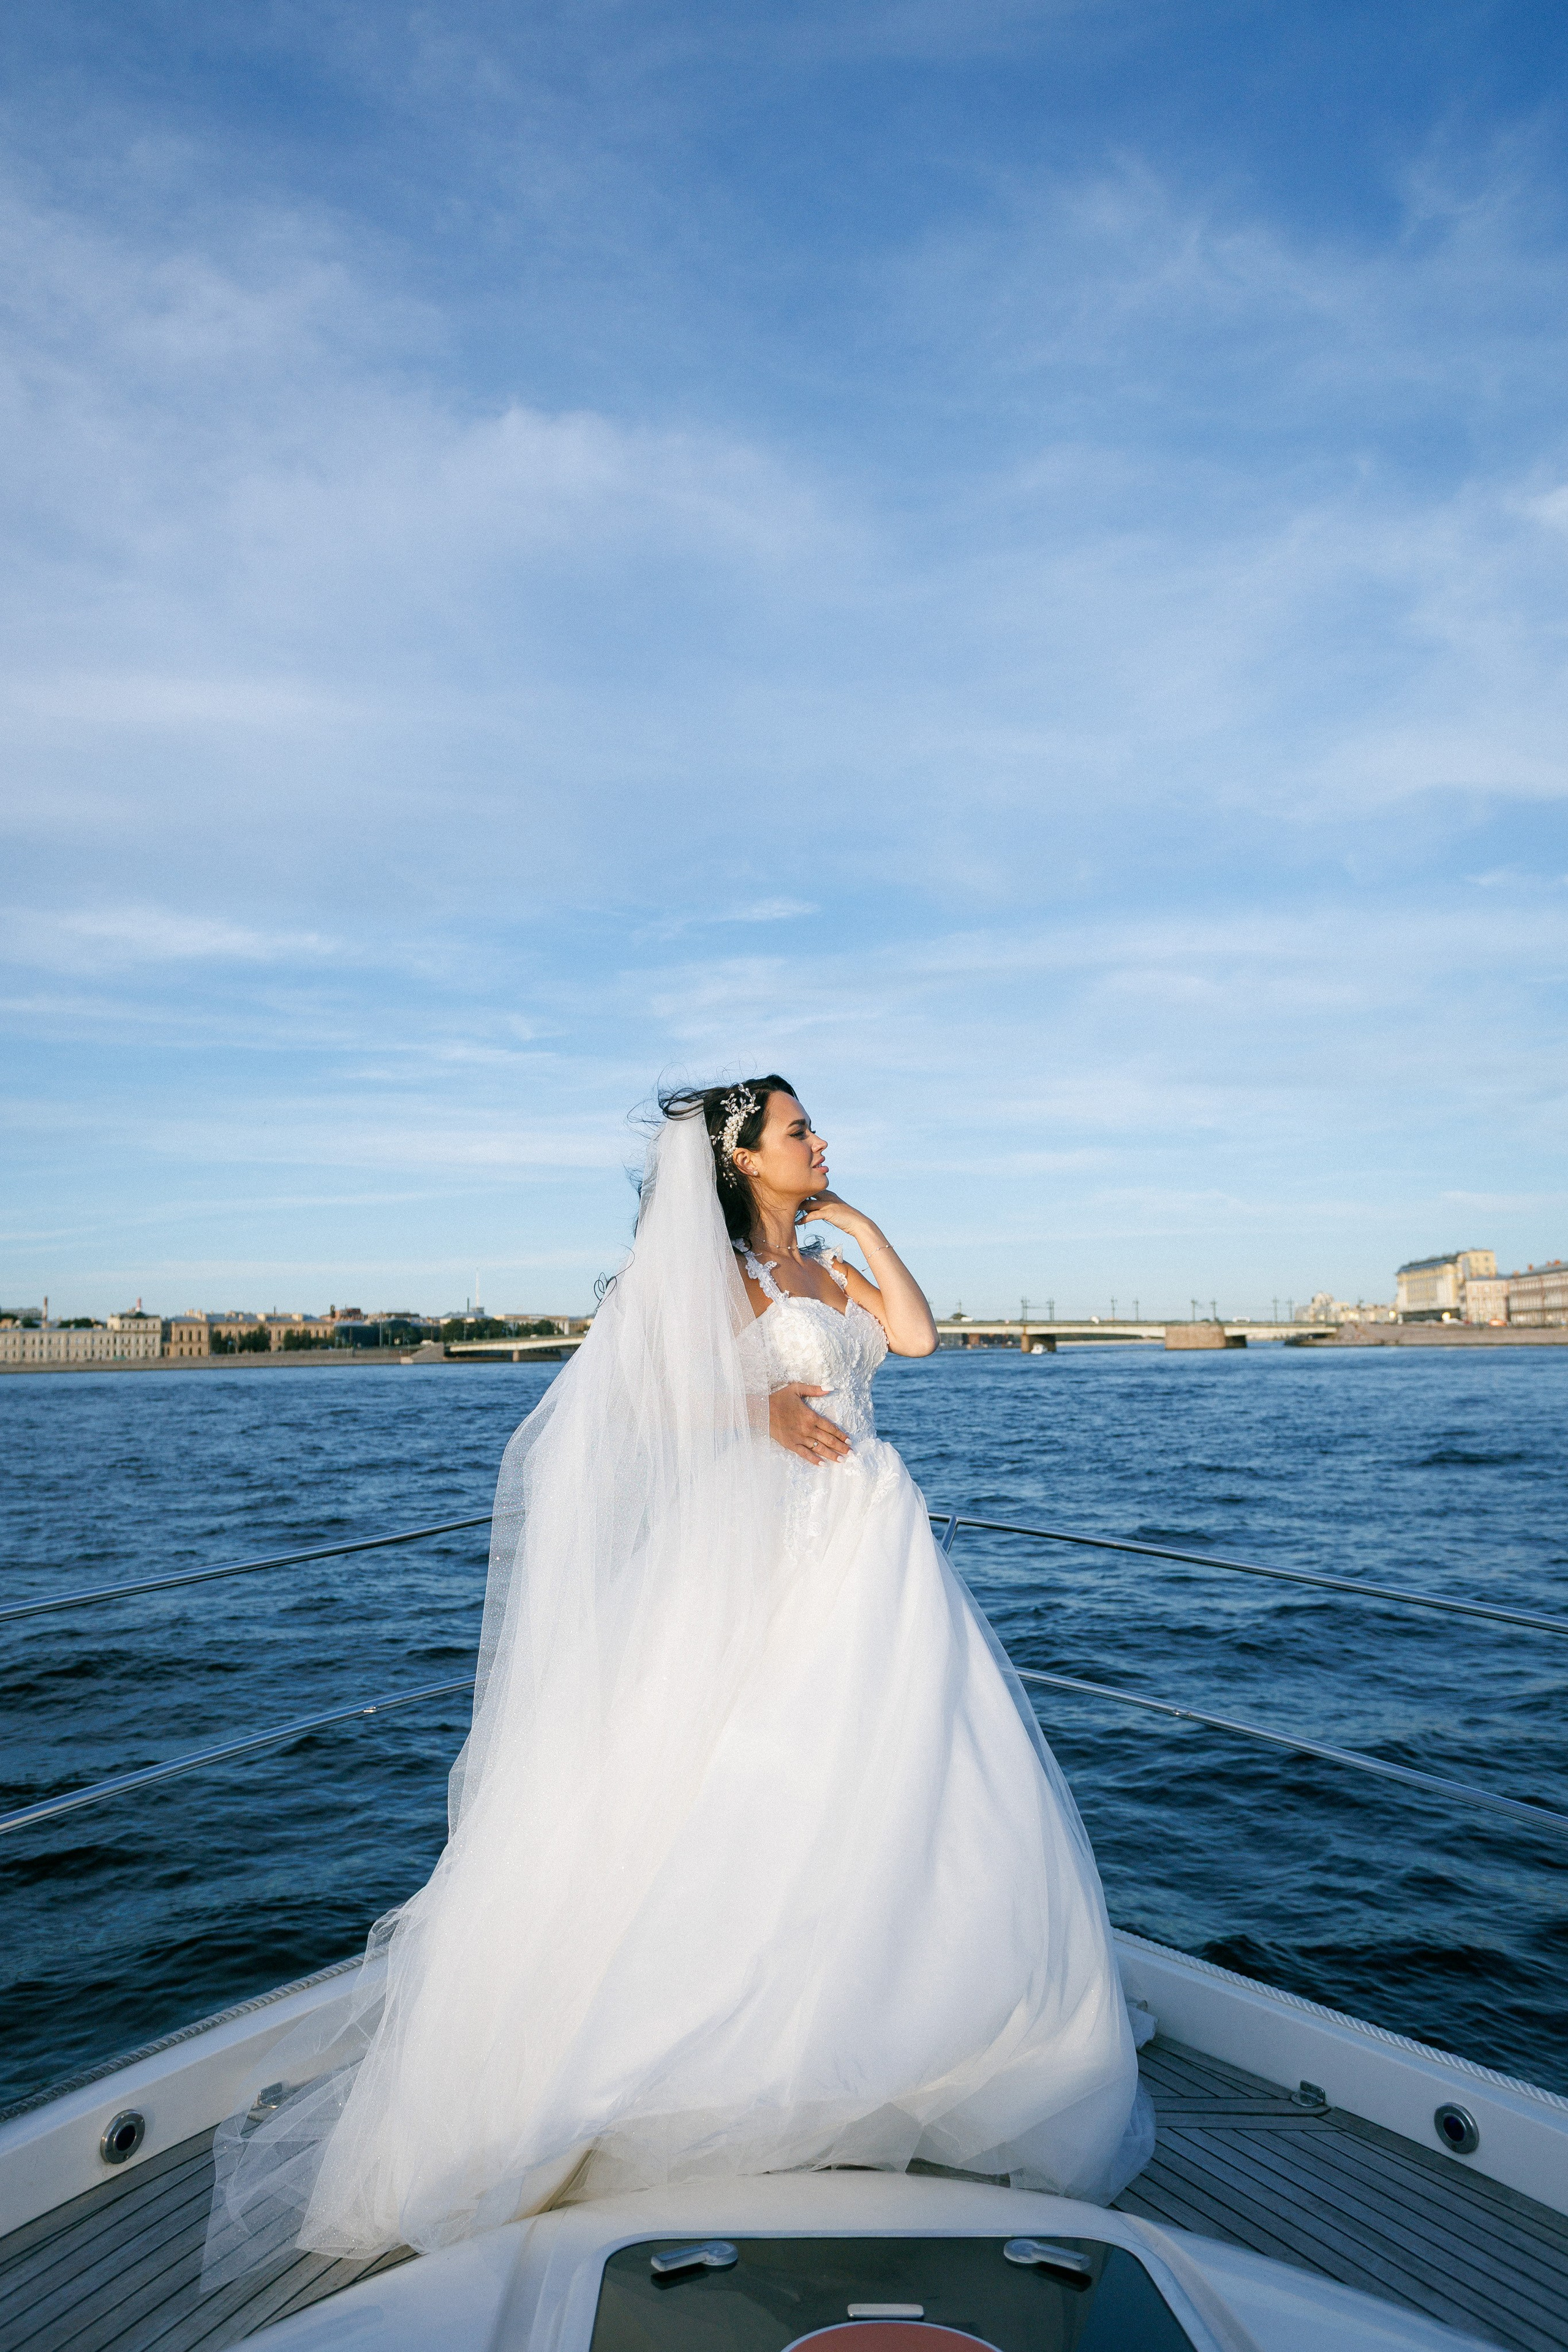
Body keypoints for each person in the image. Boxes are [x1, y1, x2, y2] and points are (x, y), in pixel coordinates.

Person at [205, 1077, 1150, 2284]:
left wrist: (860, 1227)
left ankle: (888, 2036)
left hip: (874, 1548)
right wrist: (756, 1410)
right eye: (798, 1130)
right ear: (743, 1157)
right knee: (759, 1778)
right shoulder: (713, 1276)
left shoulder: (822, 1267)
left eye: (813, 1128)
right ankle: (721, 2060)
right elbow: (631, 1396)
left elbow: (914, 1340)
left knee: (906, 1787)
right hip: (771, 1549)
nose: (819, 1140)